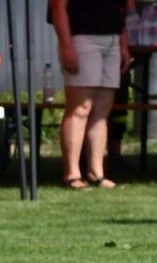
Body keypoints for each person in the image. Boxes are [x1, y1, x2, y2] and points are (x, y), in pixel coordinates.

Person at [50, 0, 130, 189]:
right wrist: (66, 45)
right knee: (80, 107)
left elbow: (121, 8)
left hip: (112, 38)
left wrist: (124, 43)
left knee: (102, 110)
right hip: (82, 38)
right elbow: (57, 6)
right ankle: (71, 174)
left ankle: (96, 173)